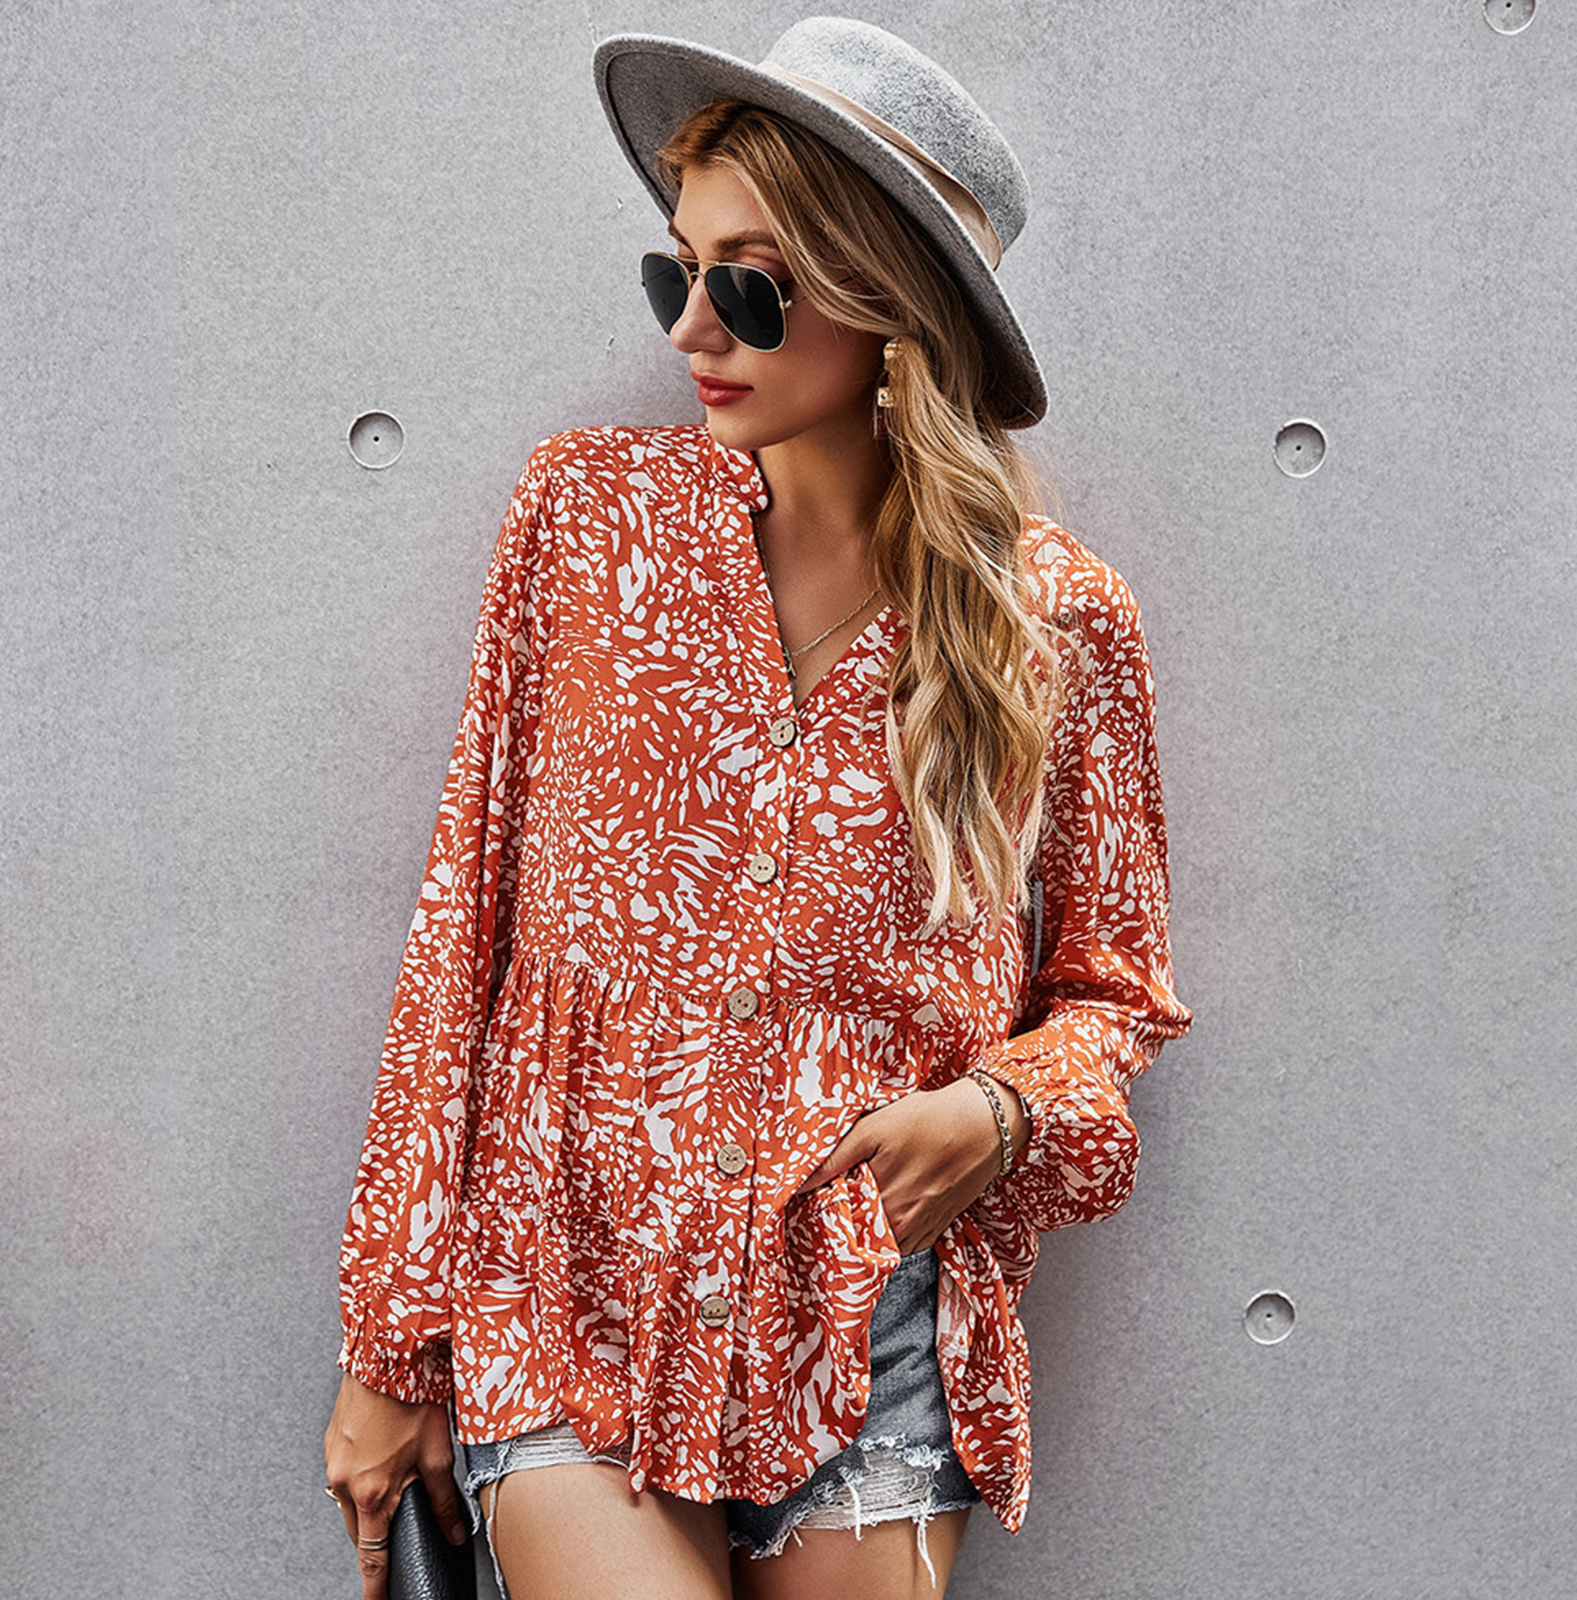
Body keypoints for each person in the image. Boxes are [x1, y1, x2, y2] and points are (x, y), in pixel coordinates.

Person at [323, 17, 1190, 1600]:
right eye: (679, 269)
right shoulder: (588, 521)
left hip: (864, 1336)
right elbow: (464, 927)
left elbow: (1115, 997)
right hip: (569, 1307)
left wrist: (1002, 1115)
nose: (691, 328)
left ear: (889, 302)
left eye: (751, 283)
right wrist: (389, 1342)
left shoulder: (1056, 623)